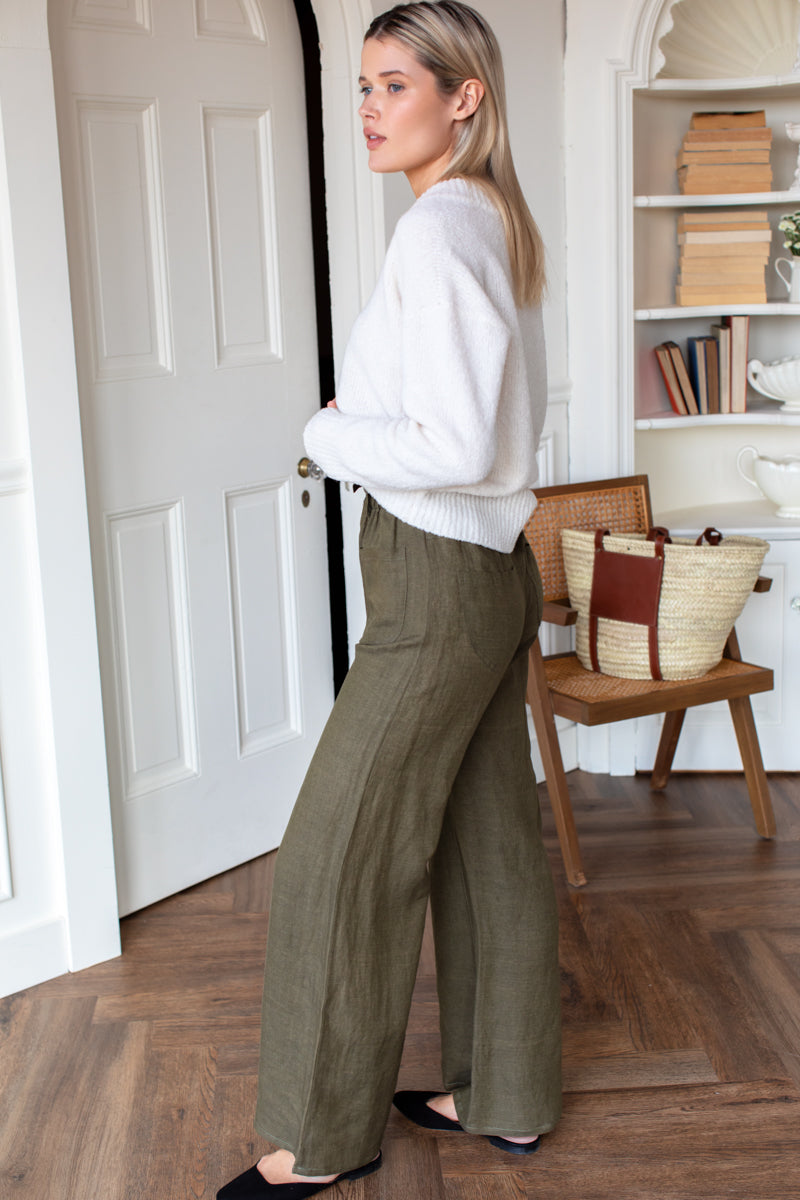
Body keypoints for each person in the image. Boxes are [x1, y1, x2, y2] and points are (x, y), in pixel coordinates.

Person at [217, 4, 561, 1196]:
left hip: (435, 574)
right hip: (489, 568)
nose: (368, 108)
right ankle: (503, 1093)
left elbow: (453, 444)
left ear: (464, 97)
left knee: (337, 849)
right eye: (360, 86)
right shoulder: (493, 218)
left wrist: (325, 435)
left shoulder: (438, 228)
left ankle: (316, 1139)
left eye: (394, 84)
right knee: (485, 838)